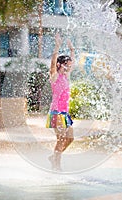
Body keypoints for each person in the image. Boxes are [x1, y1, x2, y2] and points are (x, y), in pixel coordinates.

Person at [46, 33, 75, 171]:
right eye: (65, 65)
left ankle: (54, 157)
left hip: (65, 113)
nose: (68, 67)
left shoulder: (65, 76)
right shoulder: (55, 76)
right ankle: (56, 165)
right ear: (59, 65)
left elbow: (72, 64)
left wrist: (72, 51)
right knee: (62, 138)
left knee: (70, 138)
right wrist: (57, 46)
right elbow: (52, 64)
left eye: (69, 66)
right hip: (56, 112)